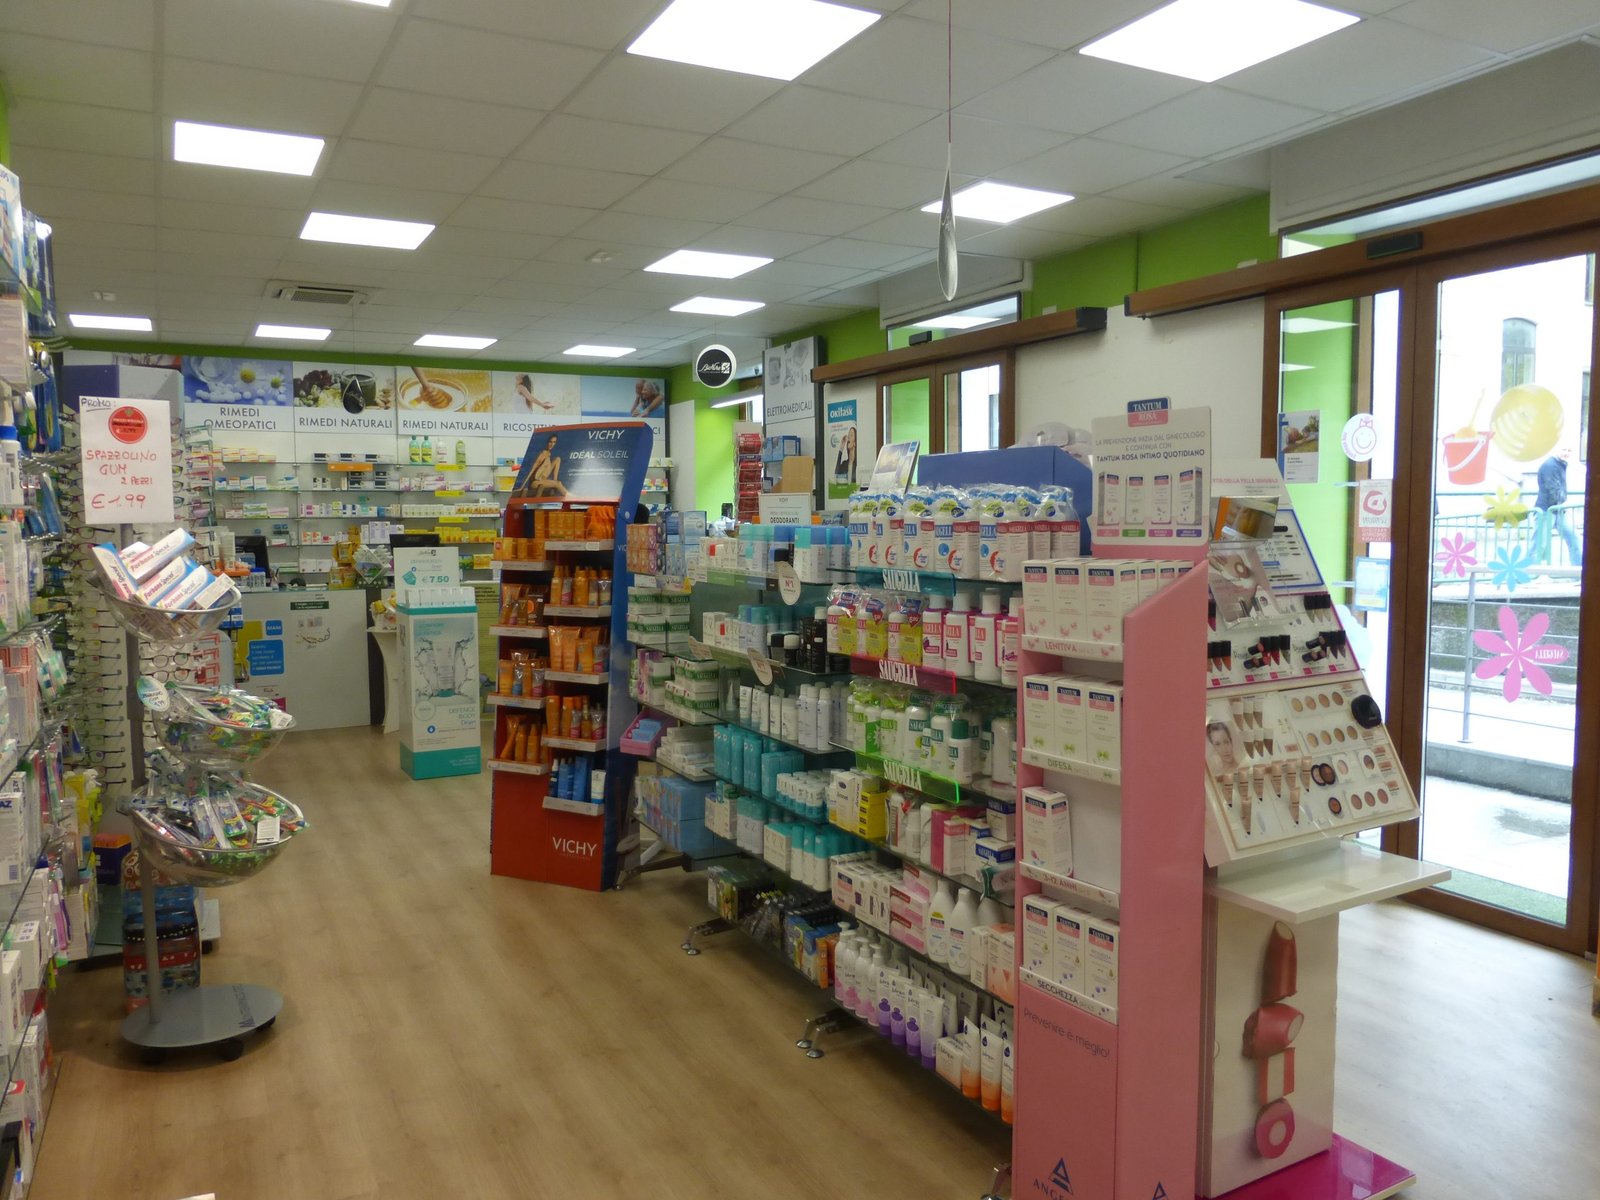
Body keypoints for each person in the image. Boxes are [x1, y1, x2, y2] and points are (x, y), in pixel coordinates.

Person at [1535, 446, 1582, 566]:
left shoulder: (1559, 464)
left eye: (1569, 450)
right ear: (1556, 450)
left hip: (1557, 509)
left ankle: (1579, 570)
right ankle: (1528, 572)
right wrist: (1563, 504)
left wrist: (1562, 505)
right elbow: (1553, 489)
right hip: (1547, 510)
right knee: (1538, 544)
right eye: (1564, 449)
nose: (1566, 453)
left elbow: (1557, 489)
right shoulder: (1550, 465)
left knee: (1574, 538)